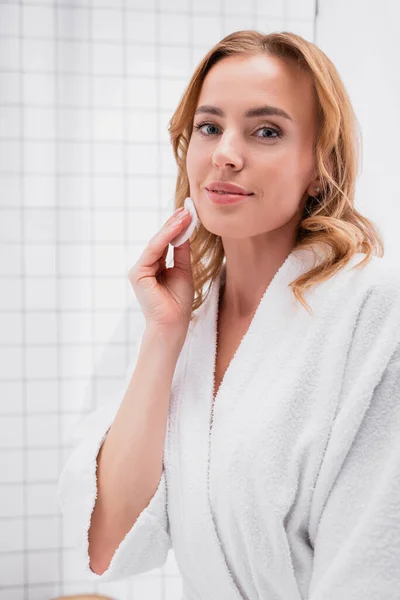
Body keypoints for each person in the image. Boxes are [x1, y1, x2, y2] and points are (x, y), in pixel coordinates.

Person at [57, 30, 400, 599]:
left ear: (319, 164)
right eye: (209, 127)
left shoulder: (375, 309)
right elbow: (108, 544)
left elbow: (373, 564)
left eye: (266, 131)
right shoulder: (184, 317)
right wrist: (164, 335)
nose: (225, 154)